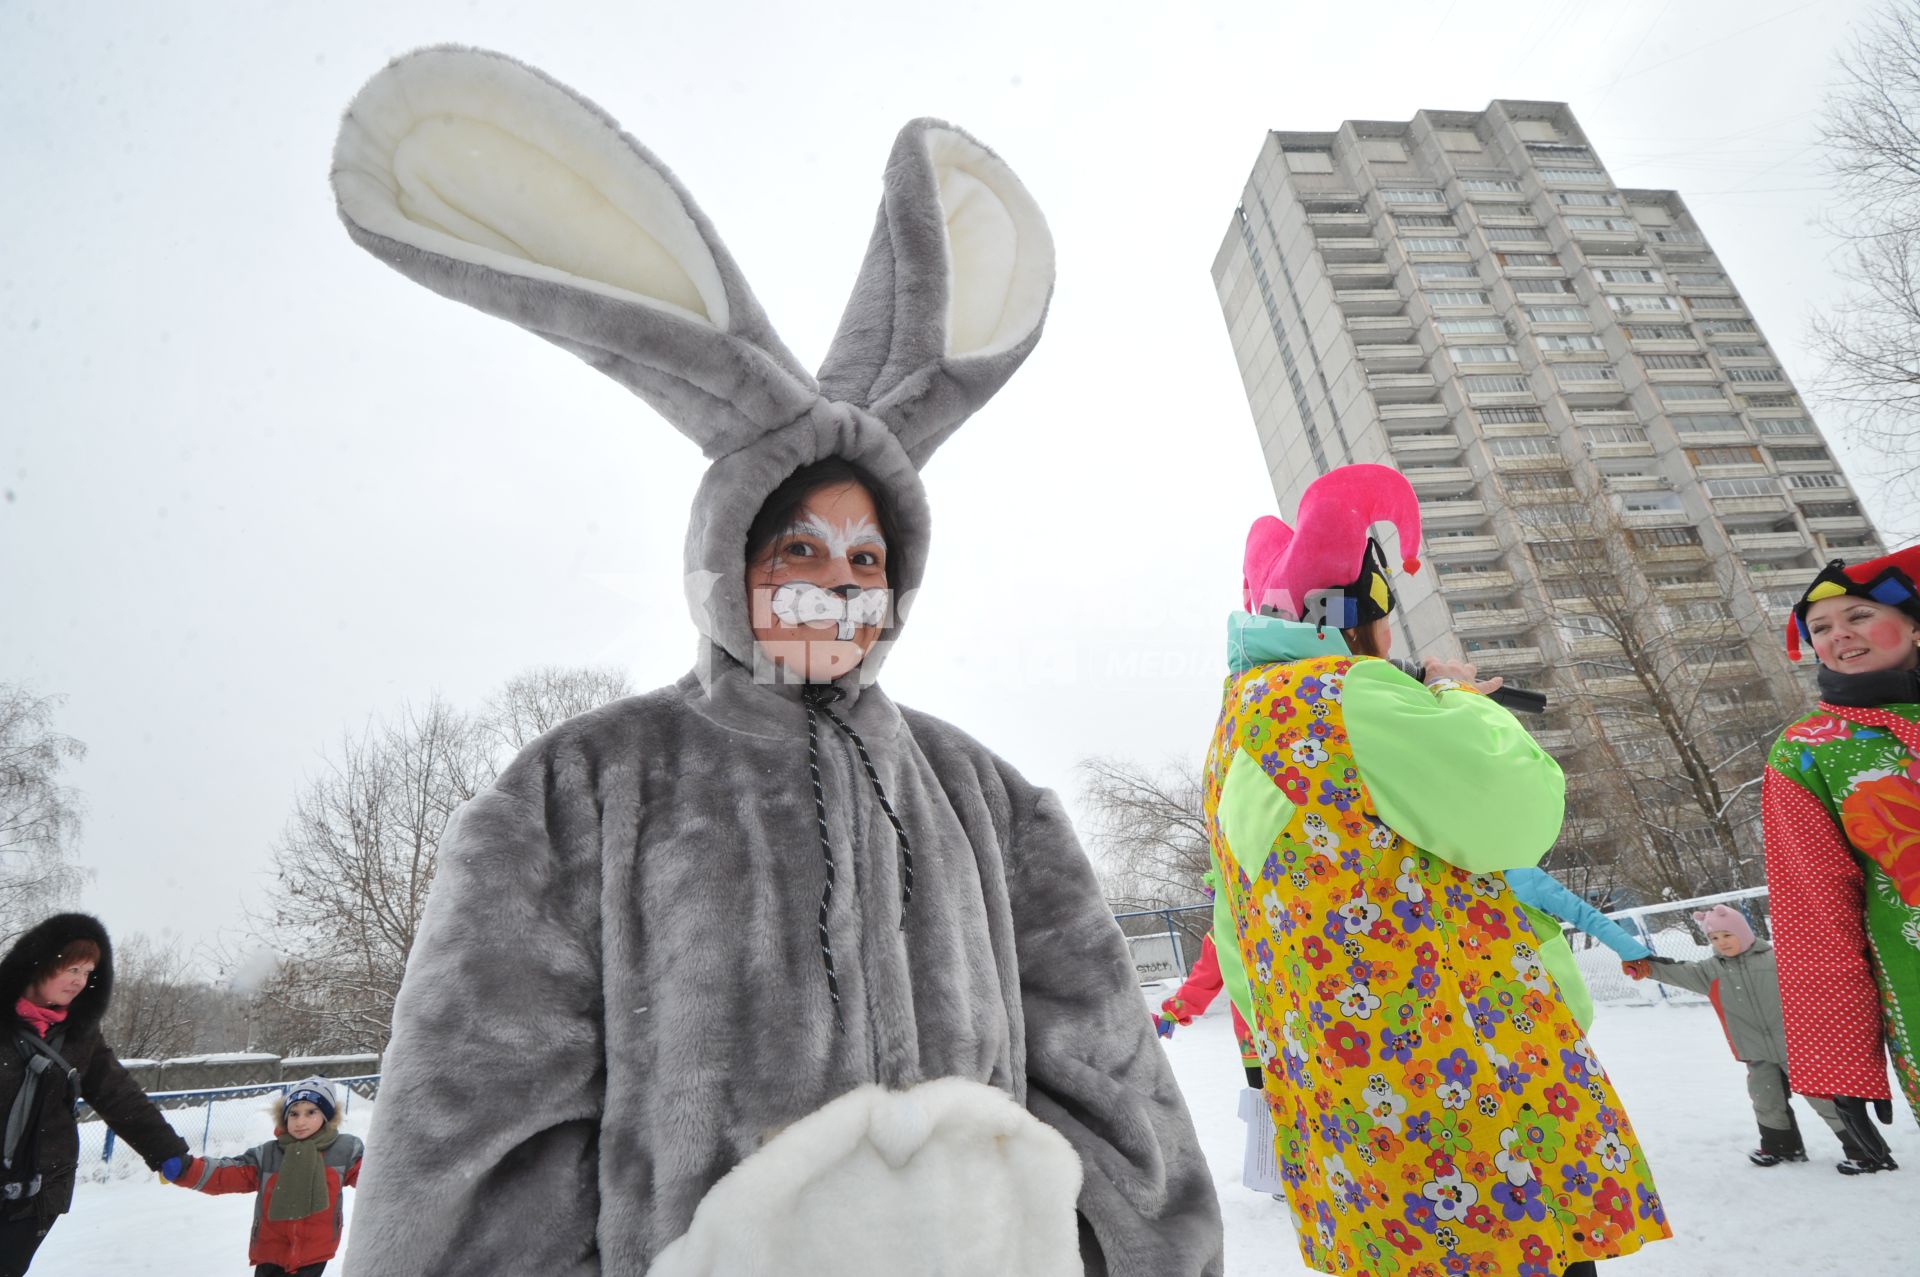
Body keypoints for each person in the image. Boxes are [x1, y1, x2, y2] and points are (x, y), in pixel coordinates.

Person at [329, 47, 1222, 1277]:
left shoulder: (991, 799)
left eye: (867, 556)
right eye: (798, 543)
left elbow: (1108, 1065)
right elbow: (475, 1114)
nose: (839, 580)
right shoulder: (581, 787)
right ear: (726, 557)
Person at [1203, 464, 1669, 1277]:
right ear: (1365, 616)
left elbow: (1237, 942)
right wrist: (1461, 702)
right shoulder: (1349, 694)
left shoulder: (1235, 734)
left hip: (1353, 1108)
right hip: (1465, 1080)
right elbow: (1518, 814)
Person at [1764, 547, 1920, 1176]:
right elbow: (1814, 914)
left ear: (1914, 624)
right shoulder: (1807, 751)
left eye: (1858, 616)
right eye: (1821, 628)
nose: (1838, 636)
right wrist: (1840, 1059)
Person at [0, 913, 190, 1275]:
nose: (79, 981)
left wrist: (166, 1149)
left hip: (38, 1193)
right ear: (40, 961)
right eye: (72, 968)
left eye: (88, 973)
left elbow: (119, 1095)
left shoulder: (80, 1036)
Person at [1627, 904, 1868, 1171]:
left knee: (1825, 1100)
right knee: (1766, 1100)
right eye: (1714, 938)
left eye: (1727, 935)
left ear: (1743, 933)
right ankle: (1783, 1148)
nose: (1722, 943)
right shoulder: (1711, 971)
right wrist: (1646, 967)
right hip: (1755, 1050)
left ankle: (1863, 1151)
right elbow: (1677, 971)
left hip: (1798, 1047)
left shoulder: (1777, 959)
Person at [164, 1076, 364, 1275]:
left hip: (315, 1252)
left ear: (327, 1116)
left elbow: (374, 1179)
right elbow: (227, 1174)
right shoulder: (268, 1154)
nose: (300, 1121)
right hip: (270, 1251)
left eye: (311, 1112)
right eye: (293, 1114)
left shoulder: (344, 1151)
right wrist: (187, 1170)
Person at [1505, 867, 1652, 1031]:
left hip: (1534, 992)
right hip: (1516, 995)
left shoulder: (1523, 878)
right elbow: (1582, 914)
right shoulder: (1522, 878)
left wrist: (1629, 950)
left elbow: (1581, 913)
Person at [1155, 874, 1261, 1088]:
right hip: (1257, 1041)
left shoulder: (1282, 918)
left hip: (1299, 1030)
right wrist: (1173, 1012)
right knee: (1268, 1107)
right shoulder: (1222, 935)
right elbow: (1202, 981)